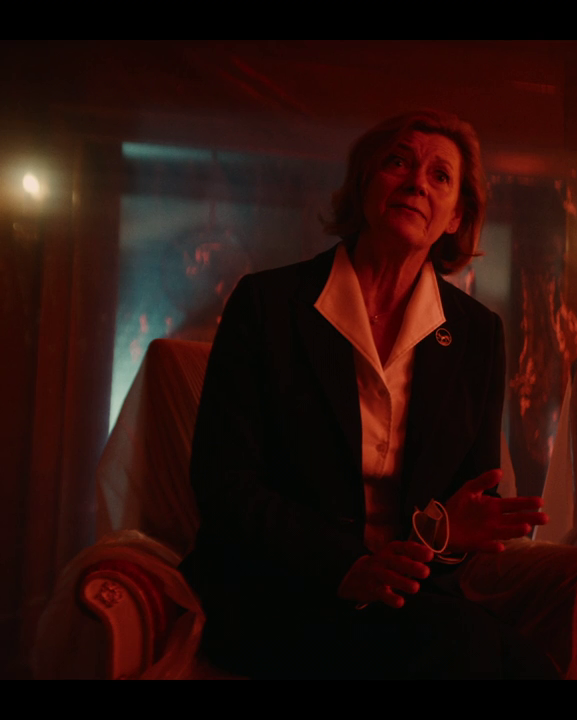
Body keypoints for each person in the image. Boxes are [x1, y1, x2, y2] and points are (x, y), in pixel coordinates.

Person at [180, 109, 556, 679]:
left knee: (526, 665)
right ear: (364, 184)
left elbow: (467, 501)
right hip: (277, 589)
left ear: (456, 217)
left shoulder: (478, 334)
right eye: (398, 162)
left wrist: (445, 533)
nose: (416, 183)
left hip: (408, 598)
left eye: (440, 176)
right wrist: (346, 565)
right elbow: (223, 482)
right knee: (467, 645)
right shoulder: (266, 304)